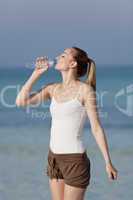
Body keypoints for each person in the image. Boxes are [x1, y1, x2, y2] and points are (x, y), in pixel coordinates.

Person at [16, 47, 118, 200]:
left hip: (75, 160)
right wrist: (36, 74)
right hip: (54, 158)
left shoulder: (85, 91)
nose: (58, 56)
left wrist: (107, 162)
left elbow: (96, 128)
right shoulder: (52, 88)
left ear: (73, 64)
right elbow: (20, 102)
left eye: (63, 55)